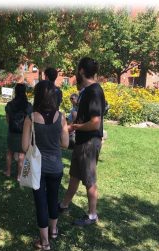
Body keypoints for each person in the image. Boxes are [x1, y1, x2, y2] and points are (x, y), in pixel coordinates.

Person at [21, 80, 69, 251]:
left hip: (37, 168)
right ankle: (54, 230)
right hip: (56, 166)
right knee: (53, 198)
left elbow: (25, 147)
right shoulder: (61, 117)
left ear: (37, 95)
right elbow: (65, 144)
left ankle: (44, 242)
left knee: (41, 203)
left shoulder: (31, 118)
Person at [58, 57, 107, 226]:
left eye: (77, 69)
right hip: (82, 142)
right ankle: (64, 205)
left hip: (89, 142)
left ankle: (92, 215)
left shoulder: (94, 91)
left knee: (89, 179)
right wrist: (73, 127)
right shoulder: (87, 91)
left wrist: (76, 127)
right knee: (75, 175)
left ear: (81, 71)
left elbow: (95, 122)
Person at [5, 84, 33, 179]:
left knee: (9, 152)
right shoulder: (28, 106)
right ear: (24, 91)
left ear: (15, 91)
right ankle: (19, 176)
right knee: (22, 154)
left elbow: (8, 120)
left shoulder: (9, 105)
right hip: (24, 133)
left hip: (12, 131)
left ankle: (8, 172)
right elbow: (30, 120)